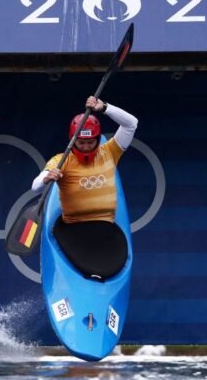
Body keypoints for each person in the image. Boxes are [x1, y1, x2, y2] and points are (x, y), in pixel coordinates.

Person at [31, 96, 138, 281]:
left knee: (109, 267)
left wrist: (104, 107)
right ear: (73, 140)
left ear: (97, 139)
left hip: (105, 228)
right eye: (81, 143)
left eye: (90, 143)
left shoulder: (110, 152)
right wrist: (47, 177)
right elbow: (35, 187)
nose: (86, 147)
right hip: (74, 229)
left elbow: (131, 124)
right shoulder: (61, 160)